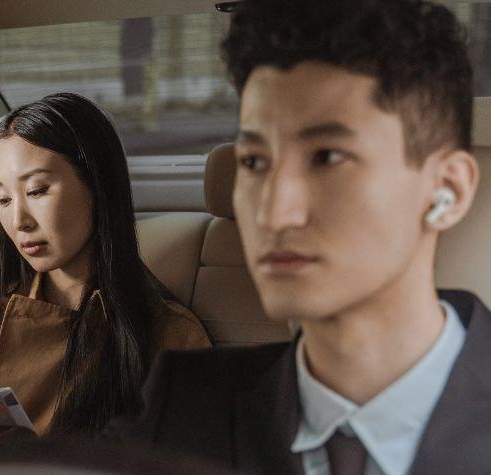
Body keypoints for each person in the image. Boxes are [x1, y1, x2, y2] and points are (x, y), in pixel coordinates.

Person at [123, 0, 491, 473]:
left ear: (446, 190)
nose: (275, 212)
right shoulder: (183, 405)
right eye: (255, 162)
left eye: (328, 158)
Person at [0, 92, 210, 436]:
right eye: (2, 198)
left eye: (37, 191)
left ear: (97, 184)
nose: (18, 221)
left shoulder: (170, 335)